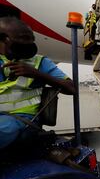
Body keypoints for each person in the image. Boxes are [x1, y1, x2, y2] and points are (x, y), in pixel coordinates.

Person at [0, 17, 75, 150]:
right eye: (23, 38)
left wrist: (36, 74)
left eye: (31, 39)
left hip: (22, 120)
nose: (28, 43)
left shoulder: (40, 62)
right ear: (4, 39)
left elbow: (72, 88)